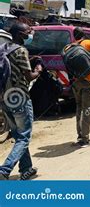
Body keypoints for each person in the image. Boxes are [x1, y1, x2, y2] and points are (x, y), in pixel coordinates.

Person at [0, 22, 42, 180]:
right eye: (28, 32)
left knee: (18, 135)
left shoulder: (4, 49)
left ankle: (26, 169)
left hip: (4, 97)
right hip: (19, 98)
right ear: (19, 34)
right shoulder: (21, 50)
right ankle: (5, 169)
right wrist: (38, 69)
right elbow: (29, 76)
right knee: (24, 137)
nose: (30, 35)